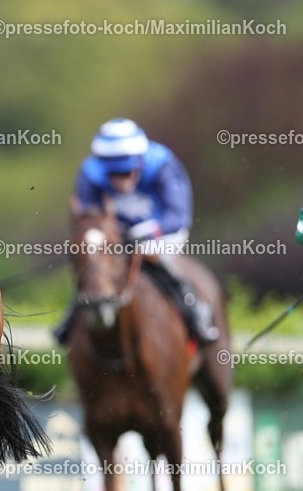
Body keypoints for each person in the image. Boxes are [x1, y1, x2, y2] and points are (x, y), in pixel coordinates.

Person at [55, 118, 220, 345]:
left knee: (153, 256)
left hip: (163, 232)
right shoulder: (90, 173)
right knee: (94, 261)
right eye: (114, 174)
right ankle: (73, 314)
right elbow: (88, 219)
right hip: (115, 235)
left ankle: (194, 310)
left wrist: (148, 232)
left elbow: (177, 216)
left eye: (127, 172)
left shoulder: (163, 166)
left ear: (140, 162)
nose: (121, 181)